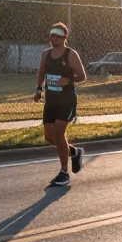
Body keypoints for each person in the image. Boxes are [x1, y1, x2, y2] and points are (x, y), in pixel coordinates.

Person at [34, 22, 87, 186]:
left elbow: (82, 76)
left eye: (57, 35)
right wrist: (38, 89)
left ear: (64, 37)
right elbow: (42, 72)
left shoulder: (70, 54)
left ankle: (64, 172)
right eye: (52, 35)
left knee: (59, 133)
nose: (53, 38)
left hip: (66, 100)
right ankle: (74, 151)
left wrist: (68, 80)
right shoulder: (46, 54)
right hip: (51, 100)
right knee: (49, 137)